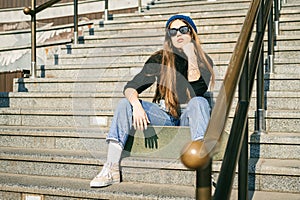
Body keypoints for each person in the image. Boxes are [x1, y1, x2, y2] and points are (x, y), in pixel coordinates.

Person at [90, 14, 215, 188]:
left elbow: (197, 92)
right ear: (169, 37)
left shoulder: (205, 62)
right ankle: (111, 167)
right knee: (125, 103)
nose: (178, 34)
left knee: (200, 102)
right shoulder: (160, 59)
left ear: (192, 33)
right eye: (173, 31)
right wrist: (136, 106)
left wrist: (192, 57)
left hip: (190, 114)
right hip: (165, 114)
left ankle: (203, 166)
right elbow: (132, 86)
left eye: (183, 29)